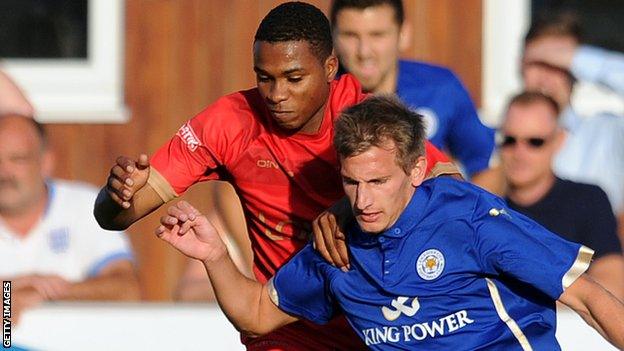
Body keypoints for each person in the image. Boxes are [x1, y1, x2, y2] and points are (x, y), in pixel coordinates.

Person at [93, 2, 456, 350]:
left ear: (331, 68)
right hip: (282, 330)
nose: (277, 94)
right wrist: (116, 195)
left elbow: (450, 183)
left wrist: (351, 208)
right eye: (265, 78)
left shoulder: (362, 118)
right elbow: (115, 217)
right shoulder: (231, 122)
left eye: (294, 78)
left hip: (375, 329)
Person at [156, 96, 624, 350]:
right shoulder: (338, 246)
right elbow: (257, 316)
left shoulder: (469, 217)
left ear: (417, 170)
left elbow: (587, 296)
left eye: (378, 181)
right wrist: (216, 256)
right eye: (351, 183)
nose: (362, 201)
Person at [330, 0, 495, 182]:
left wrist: (459, 210)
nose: (364, 51)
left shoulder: (440, 87)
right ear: (333, 36)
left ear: (403, 34)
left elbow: (488, 168)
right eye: (350, 35)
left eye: (377, 35)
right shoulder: (322, 96)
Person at [0, 114, 140, 323]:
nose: (4, 172)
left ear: (46, 162)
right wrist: (10, 290)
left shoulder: (86, 206)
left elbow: (127, 290)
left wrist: (45, 293)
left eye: (18, 159)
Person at [499, 91, 624, 300]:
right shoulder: (482, 207)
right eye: (510, 140)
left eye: (535, 142)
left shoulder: (588, 201)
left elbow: (613, 287)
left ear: (559, 141)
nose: (519, 152)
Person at [521, 12, 624, 241]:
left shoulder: (606, 133)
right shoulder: (498, 138)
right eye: (538, 64)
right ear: (520, 66)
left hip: (597, 268)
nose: (544, 79)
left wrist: (579, 59)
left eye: (557, 65)